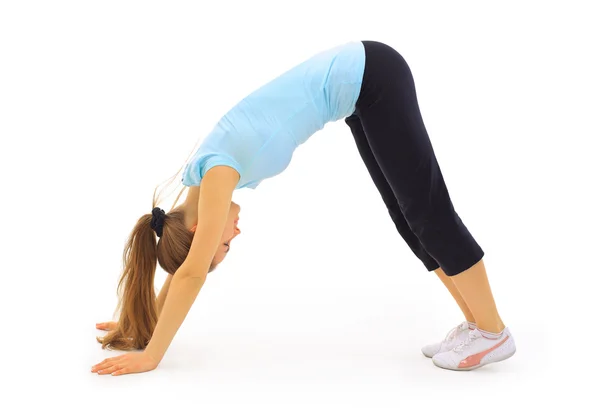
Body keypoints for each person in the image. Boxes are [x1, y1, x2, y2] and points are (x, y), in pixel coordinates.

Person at [92, 40, 516, 376]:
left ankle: (494, 331)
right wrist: (140, 326)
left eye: (222, 244)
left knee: (427, 212)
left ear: (202, 226)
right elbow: (185, 262)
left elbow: (190, 273)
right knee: (410, 220)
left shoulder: (217, 175)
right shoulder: (199, 183)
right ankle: (477, 326)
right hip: (363, 93)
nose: (233, 237)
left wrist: (152, 356)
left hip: (374, 76)